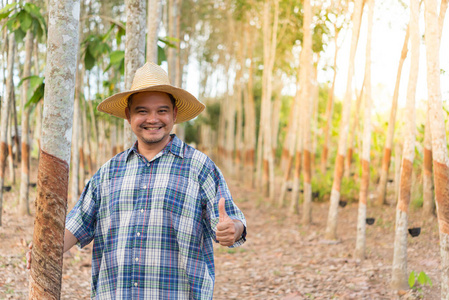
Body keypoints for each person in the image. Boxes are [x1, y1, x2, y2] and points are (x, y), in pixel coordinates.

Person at [27, 62, 247, 299]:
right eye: (142, 111)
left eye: (162, 111)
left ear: (174, 114)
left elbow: (232, 222)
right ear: (128, 115)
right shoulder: (109, 172)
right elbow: (78, 222)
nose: (152, 119)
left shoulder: (199, 167)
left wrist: (231, 230)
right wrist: (47, 247)